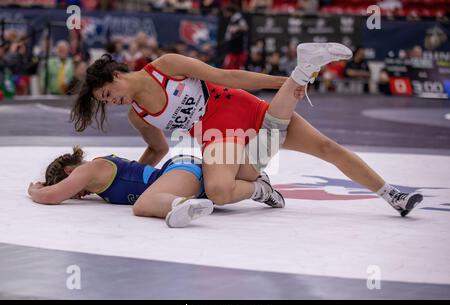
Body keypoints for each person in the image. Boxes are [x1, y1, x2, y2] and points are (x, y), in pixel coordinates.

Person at [71, 42, 423, 217]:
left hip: (235, 104)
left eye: (107, 94)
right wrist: (129, 180)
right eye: (104, 101)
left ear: (116, 76)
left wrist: (278, 81)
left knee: (326, 147)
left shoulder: (166, 67)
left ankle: (392, 194)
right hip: (215, 134)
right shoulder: (138, 116)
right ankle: (259, 189)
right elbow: (156, 152)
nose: (111, 101)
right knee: (220, 192)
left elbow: (227, 77)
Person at [28, 147, 213, 228]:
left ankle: (180, 204)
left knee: (141, 206)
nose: (75, 196)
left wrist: (34, 190)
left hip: (180, 170)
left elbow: (50, 197)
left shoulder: (89, 169)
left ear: (68, 172)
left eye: (69, 189)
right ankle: (186, 202)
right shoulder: (97, 180)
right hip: (187, 178)